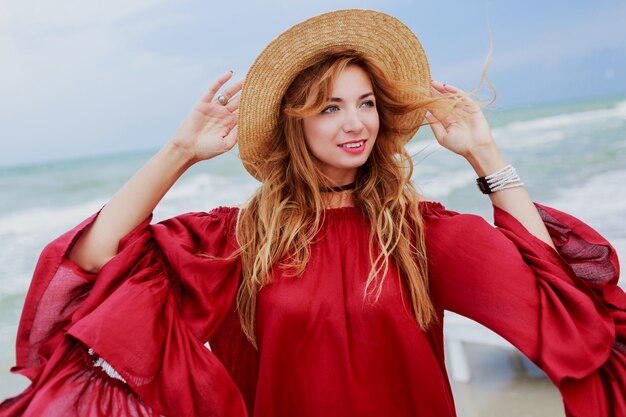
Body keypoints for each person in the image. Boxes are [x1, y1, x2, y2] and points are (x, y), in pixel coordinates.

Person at [1, 8, 624, 417]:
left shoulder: (418, 232)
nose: (355, 123)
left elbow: (561, 298)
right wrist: (179, 153)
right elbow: (91, 264)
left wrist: (485, 153)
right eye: (329, 108)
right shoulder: (237, 239)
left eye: (366, 103)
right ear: (293, 123)